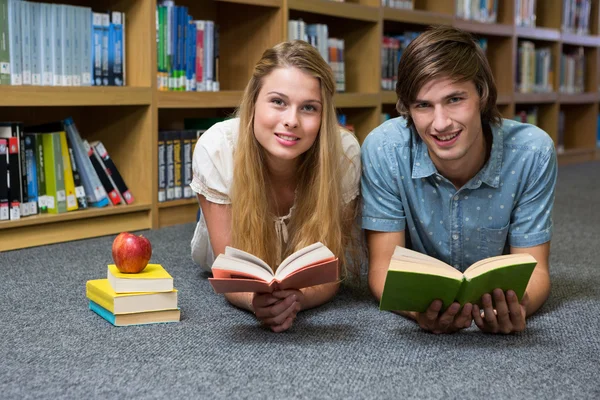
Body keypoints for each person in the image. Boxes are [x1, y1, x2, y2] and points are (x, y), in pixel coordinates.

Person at [361, 26, 557, 334]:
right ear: (408, 110)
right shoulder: (385, 149)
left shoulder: (532, 152)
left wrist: (520, 306)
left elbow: (536, 269)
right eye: (423, 105)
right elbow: (381, 268)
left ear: (481, 93)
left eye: (454, 99)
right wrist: (416, 311)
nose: (440, 124)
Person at [190, 41, 361, 332]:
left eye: (308, 107)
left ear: (323, 116)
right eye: (278, 102)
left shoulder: (344, 154)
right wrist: (254, 301)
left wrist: (297, 299)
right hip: (231, 213)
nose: (291, 121)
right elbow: (229, 270)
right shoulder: (216, 148)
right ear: (253, 102)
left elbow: (330, 272)